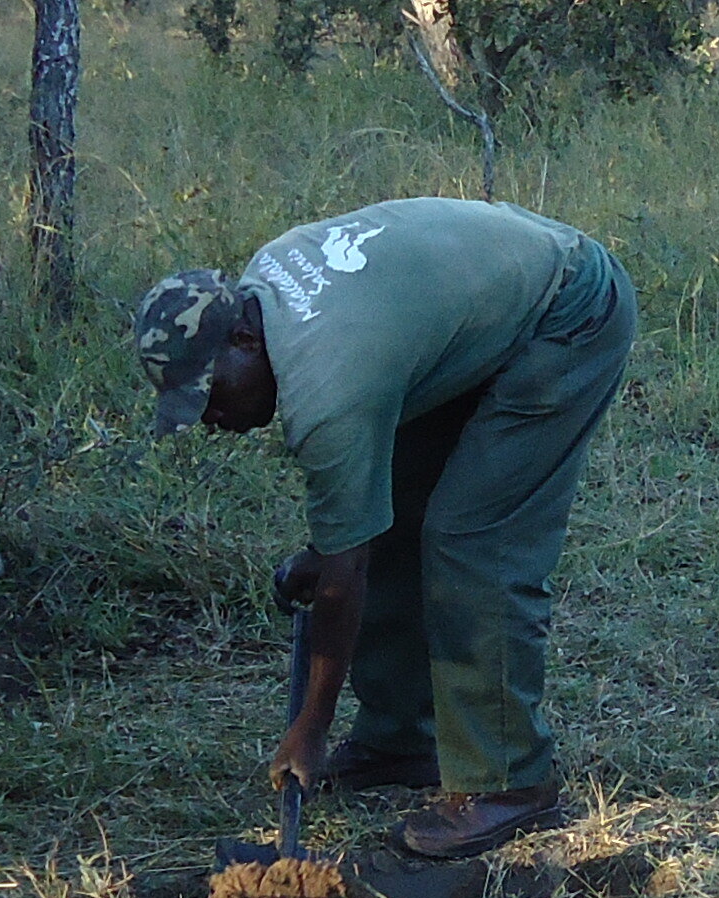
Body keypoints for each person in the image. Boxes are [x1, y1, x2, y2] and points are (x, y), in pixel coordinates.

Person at [136, 199, 634, 861]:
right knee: (397, 512)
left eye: (209, 393)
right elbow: (357, 532)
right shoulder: (263, 291)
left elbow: (346, 581)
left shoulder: (326, 384)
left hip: (568, 308)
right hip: (487, 304)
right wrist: (330, 549)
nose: (210, 417)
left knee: (473, 540)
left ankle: (510, 782)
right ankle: (402, 739)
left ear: (245, 341)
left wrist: (310, 728)